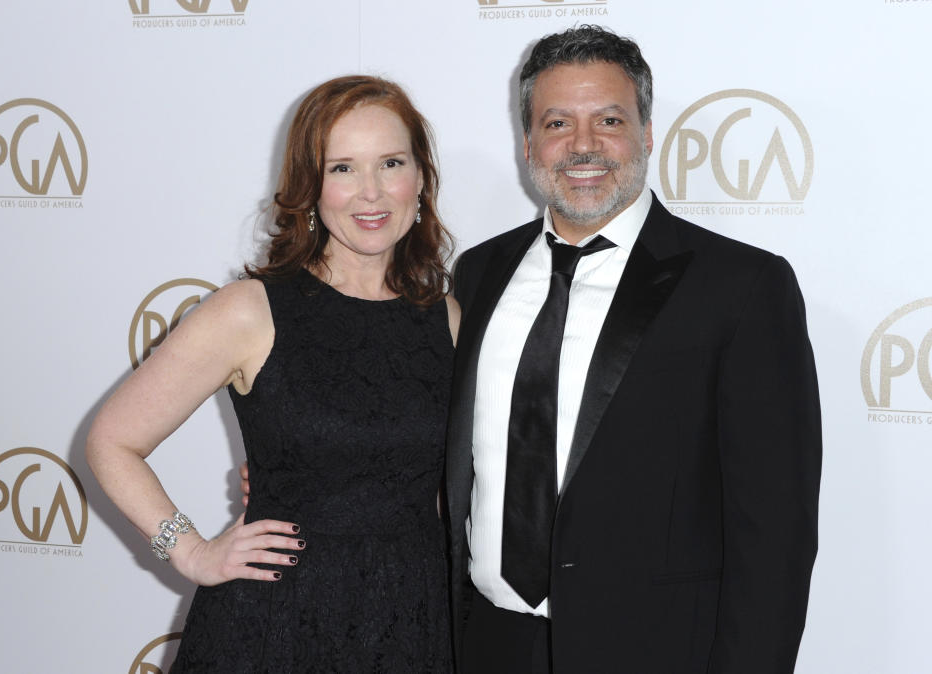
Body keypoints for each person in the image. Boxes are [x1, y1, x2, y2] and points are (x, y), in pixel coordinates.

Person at [444, 26, 822, 673]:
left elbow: (776, 538)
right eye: (558, 122)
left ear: (647, 134)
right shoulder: (479, 273)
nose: (583, 145)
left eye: (609, 120)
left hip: (660, 651)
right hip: (488, 648)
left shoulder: (742, 287)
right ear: (527, 141)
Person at [86, 75, 458, 673]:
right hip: (276, 625)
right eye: (341, 168)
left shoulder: (446, 317)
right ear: (309, 187)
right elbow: (112, 442)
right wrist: (189, 552)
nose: (371, 192)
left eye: (391, 162)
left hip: (415, 621)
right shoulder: (250, 309)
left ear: (421, 177)